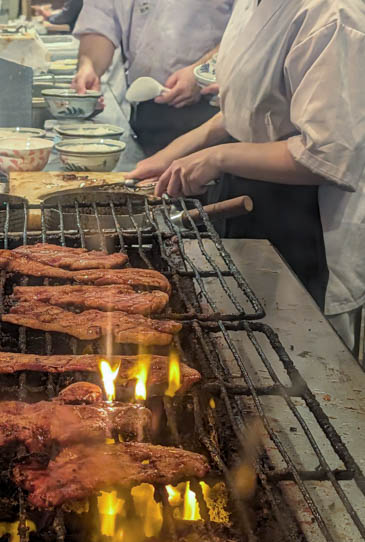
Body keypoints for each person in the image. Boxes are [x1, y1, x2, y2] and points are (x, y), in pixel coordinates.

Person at [128, 0, 365, 349]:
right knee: (238, 345)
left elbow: (326, 155)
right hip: (249, 201)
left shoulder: (332, 13)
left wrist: (219, 157)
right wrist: (172, 155)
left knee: (295, 361)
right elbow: (246, 108)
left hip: (306, 224)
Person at [71, 0, 233, 156]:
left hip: (214, 109)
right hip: (147, 108)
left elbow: (245, 31)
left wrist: (201, 71)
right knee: (145, 174)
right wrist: (89, 66)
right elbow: (100, 21)